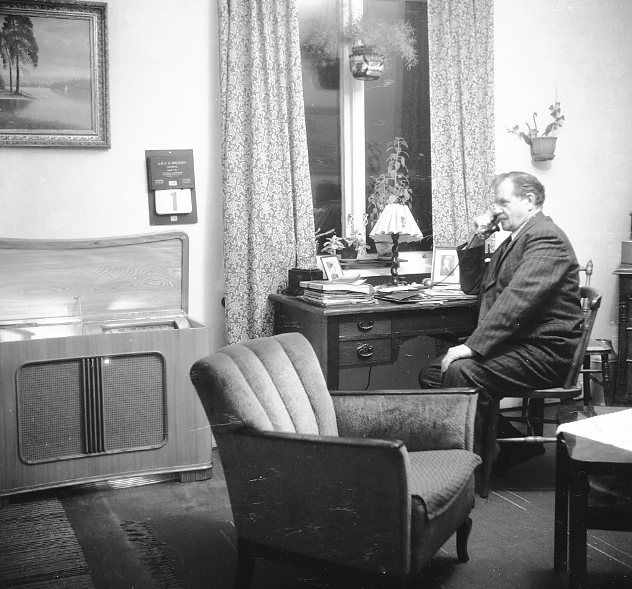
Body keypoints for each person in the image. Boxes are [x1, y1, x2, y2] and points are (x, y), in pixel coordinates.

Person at [419, 171, 583, 473]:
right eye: (495, 203)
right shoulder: (514, 240)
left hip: (546, 352)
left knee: (462, 371)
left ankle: (465, 467)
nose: (495, 210)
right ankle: (513, 447)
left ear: (530, 200)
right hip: (520, 346)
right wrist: (477, 238)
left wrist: (470, 347)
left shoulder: (546, 237)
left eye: (503, 202)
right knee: (432, 373)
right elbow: (473, 286)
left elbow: (517, 302)